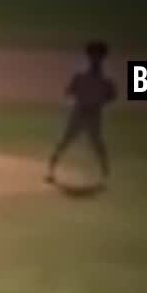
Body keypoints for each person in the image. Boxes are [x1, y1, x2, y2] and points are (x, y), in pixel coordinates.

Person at [47, 40, 119, 186]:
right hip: (80, 112)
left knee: (97, 143)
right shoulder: (84, 77)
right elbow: (70, 91)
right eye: (93, 56)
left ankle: (105, 174)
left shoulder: (103, 80)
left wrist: (97, 99)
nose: (95, 59)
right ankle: (50, 171)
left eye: (98, 56)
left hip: (91, 113)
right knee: (66, 140)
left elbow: (111, 96)